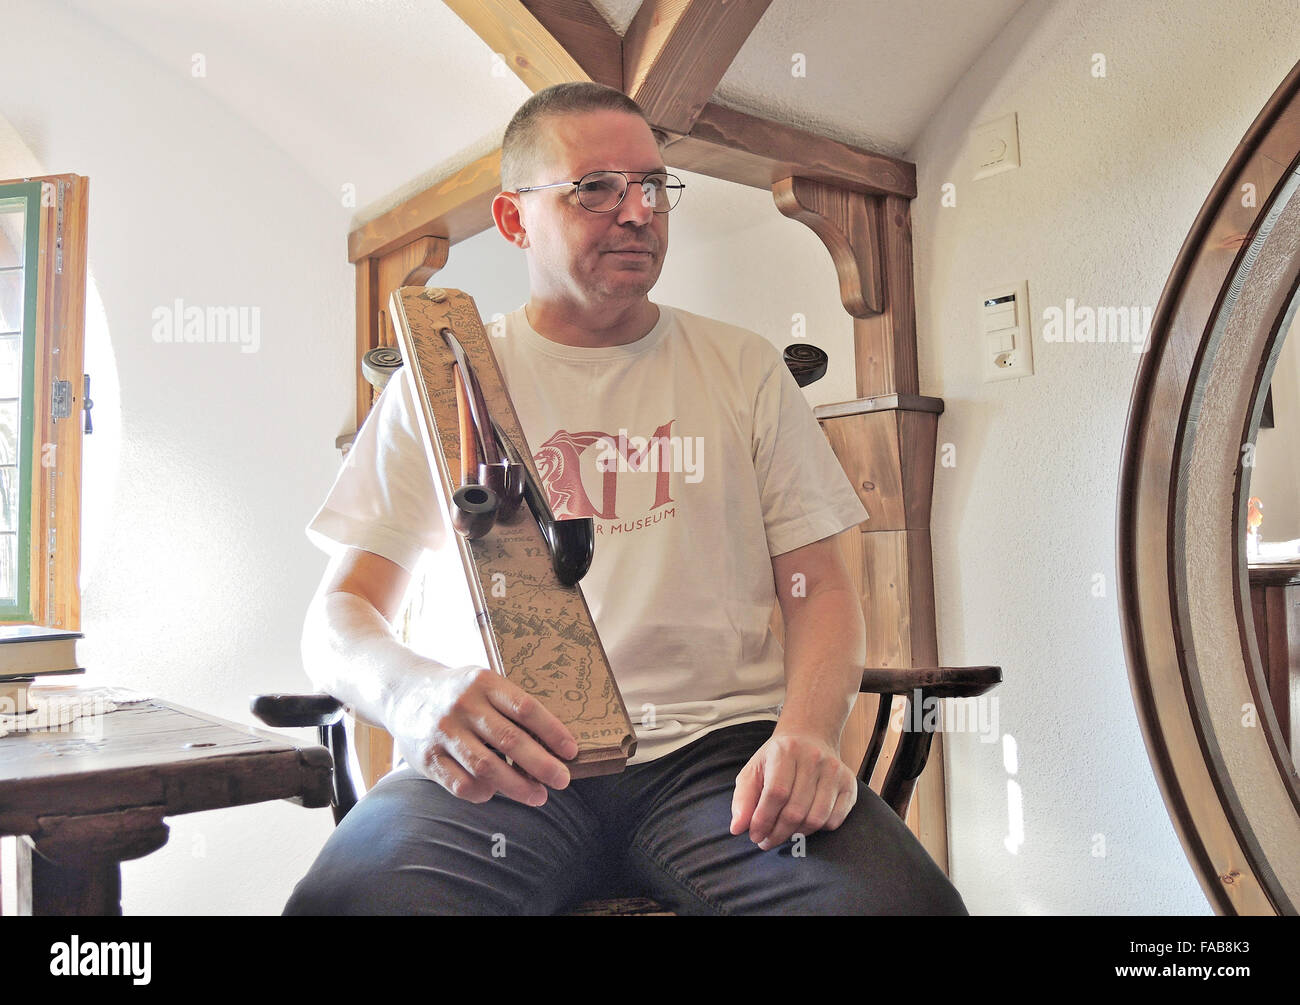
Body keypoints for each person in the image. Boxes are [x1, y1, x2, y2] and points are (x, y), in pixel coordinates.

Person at [284, 81, 967, 916]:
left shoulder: (743, 368)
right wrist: (414, 694)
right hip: (510, 761)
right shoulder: (441, 381)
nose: (638, 211)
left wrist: (811, 733)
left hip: (723, 763)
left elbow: (820, 586)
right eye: (595, 188)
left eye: (653, 185)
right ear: (513, 220)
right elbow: (338, 618)